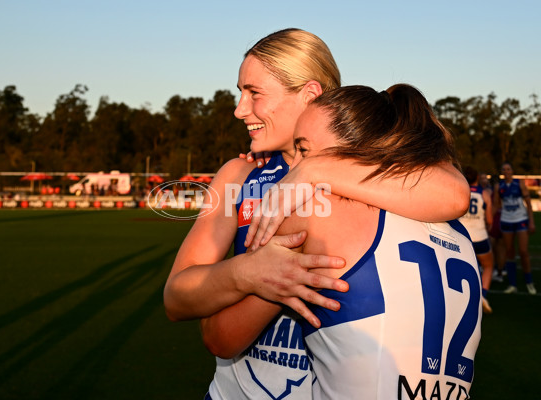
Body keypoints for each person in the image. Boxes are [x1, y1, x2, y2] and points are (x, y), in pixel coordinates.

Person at [163, 29, 470, 400]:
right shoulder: (240, 175)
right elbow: (177, 297)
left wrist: (315, 171)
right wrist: (246, 273)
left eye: (254, 93)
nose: (240, 109)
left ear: (309, 94)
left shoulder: (370, 182)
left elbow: (454, 191)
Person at [226, 84, 480, 399]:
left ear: (354, 151)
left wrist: (237, 274)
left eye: (303, 150)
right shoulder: (458, 230)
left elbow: (223, 337)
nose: (295, 166)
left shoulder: (318, 214)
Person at [494, 161, 537, 294]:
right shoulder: (498, 186)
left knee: (523, 251)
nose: (506, 171)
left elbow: (528, 204)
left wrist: (531, 221)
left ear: (512, 171)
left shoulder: (519, 184)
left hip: (521, 220)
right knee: (510, 252)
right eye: (504, 169)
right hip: (507, 221)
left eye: (508, 169)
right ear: (502, 172)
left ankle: (529, 281)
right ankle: (513, 284)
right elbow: (497, 204)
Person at [459, 166, 494, 313]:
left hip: (462, 238)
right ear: (477, 178)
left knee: (463, 269)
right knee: (488, 266)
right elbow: (490, 220)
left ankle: (463, 299)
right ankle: (483, 296)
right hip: (480, 237)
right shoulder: (484, 193)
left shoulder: (459, 191)